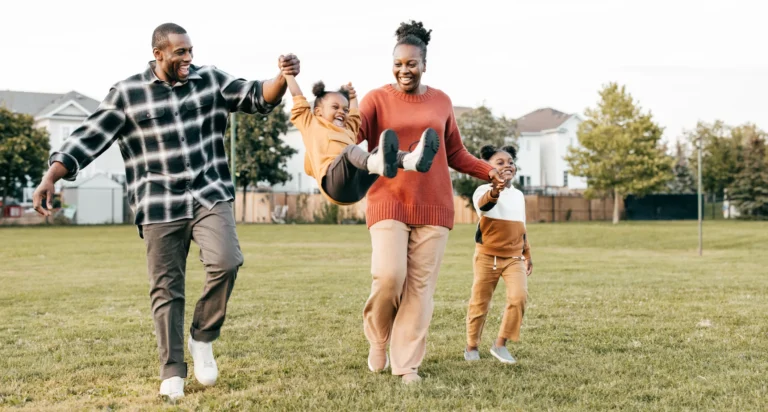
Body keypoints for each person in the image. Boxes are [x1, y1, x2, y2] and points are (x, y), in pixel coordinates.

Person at [31, 22, 299, 401]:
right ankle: (172, 371)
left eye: (190, 50)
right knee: (166, 289)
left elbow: (257, 96)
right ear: (158, 54)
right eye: (180, 53)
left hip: (209, 193)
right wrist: (51, 176)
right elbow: (88, 137)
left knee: (227, 261)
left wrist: (282, 77)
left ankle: (202, 337)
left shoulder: (210, 80)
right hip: (158, 202)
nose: (189, 58)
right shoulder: (128, 94)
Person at [357, 20, 505, 384]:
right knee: (389, 276)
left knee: (420, 289)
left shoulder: (441, 101)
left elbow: (455, 152)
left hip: (434, 206)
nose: (404, 70)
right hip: (388, 200)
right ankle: (378, 337)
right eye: (398, 64)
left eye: (412, 64)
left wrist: (490, 172)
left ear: (425, 64)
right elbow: (351, 136)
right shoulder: (375, 99)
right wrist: (336, 113)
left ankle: (406, 364)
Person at [284, 73, 439, 205]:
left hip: (357, 189)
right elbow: (298, 98)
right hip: (333, 186)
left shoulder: (348, 130)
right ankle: (376, 163)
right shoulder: (311, 124)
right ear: (318, 111)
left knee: (379, 151)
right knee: (351, 150)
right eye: (335, 107)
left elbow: (355, 115)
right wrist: (288, 75)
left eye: (345, 109)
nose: (342, 112)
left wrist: (352, 97)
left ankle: (412, 161)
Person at [464, 144, 533, 365]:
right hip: (487, 257)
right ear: (489, 167)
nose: (507, 166)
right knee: (480, 303)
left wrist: (527, 252)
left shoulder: (519, 195)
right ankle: (472, 346)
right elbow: (485, 206)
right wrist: (496, 188)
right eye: (500, 162)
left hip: (514, 258)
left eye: (510, 162)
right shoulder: (482, 191)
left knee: (519, 297)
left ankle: (500, 344)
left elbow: (521, 225)